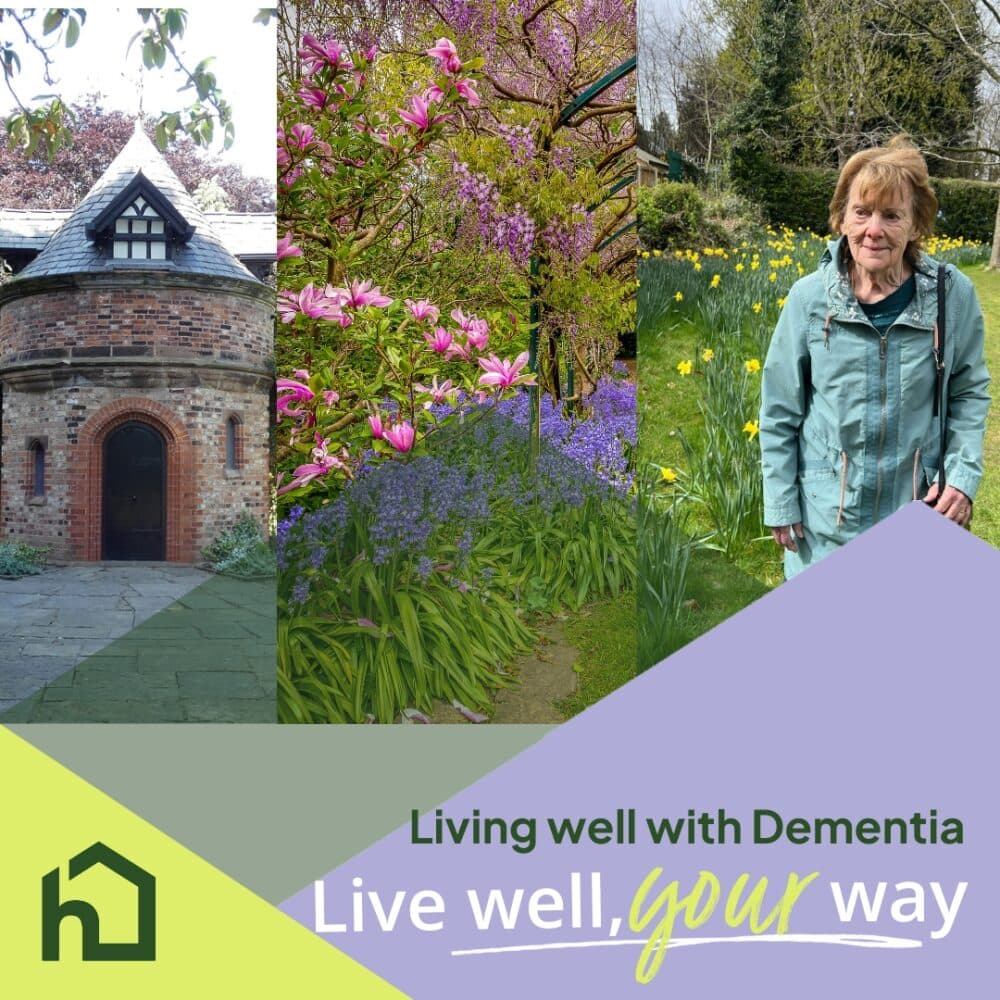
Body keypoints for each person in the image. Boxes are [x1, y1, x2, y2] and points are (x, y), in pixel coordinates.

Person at [759, 137, 990, 578]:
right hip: (827, 526)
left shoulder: (950, 297)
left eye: (892, 215)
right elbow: (779, 411)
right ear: (842, 218)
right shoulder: (809, 301)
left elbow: (969, 393)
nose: (874, 229)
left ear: (916, 224)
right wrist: (781, 500)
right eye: (861, 211)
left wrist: (961, 477)